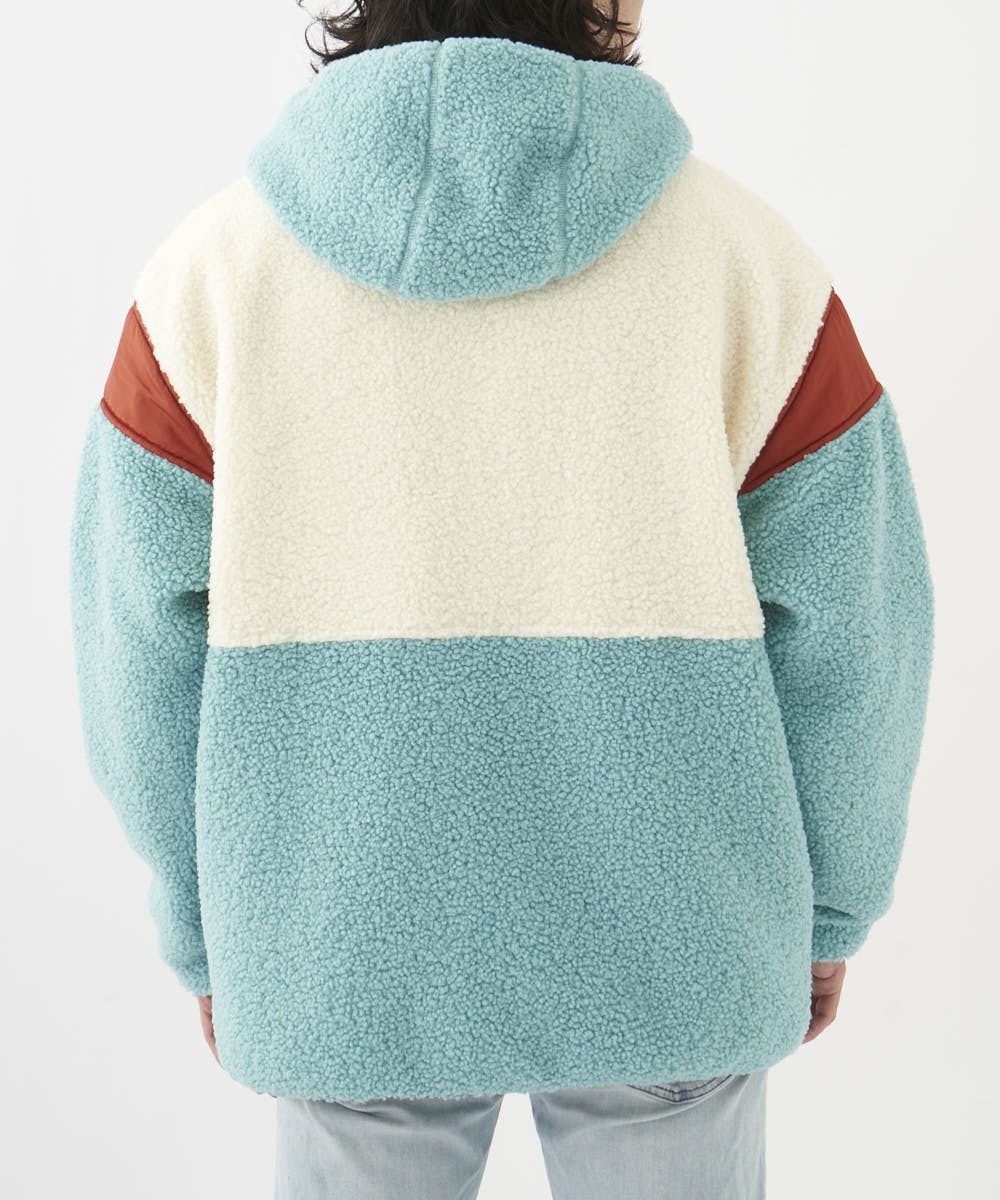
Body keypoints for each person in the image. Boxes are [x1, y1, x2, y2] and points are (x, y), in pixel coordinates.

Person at [68, 2, 934, 1196]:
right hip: (676, 940)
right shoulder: (745, 265)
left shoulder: (211, 281)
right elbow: (861, 631)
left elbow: (132, 657)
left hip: (342, 952)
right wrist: (829, 907)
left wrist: (204, 932)